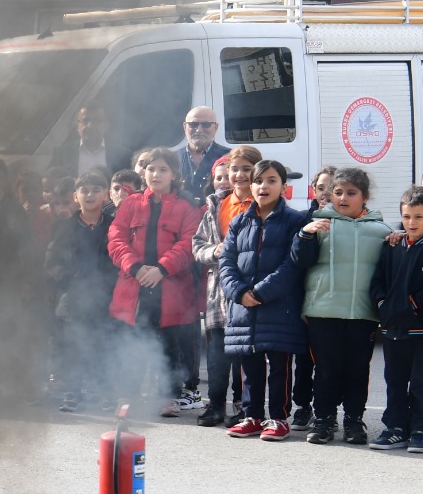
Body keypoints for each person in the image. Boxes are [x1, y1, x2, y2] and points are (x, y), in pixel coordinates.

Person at [107, 147, 203, 418]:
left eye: (163, 169)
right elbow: (116, 239)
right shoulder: (130, 204)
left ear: (174, 174)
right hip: (134, 286)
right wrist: (135, 268)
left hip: (171, 287)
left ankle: (169, 396)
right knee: (132, 342)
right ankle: (128, 394)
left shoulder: (187, 206)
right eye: (150, 169)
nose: (156, 174)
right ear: (143, 173)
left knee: (170, 344)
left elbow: (189, 244)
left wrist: (161, 269)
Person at [296, 167, 389, 446]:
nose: (343, 198)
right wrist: (305, 235)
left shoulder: (382, 231)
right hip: (323, 310)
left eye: (351, 193)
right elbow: (299, 262)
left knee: (358, 370)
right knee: (326, 369)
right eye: (338, 192)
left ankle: (353, 420)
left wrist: (396, 241)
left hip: (363, 313)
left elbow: (390, 269)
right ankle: (323, 419)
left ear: (365, 197)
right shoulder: (318, 224)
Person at [220, 160, 310, 441]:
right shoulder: (239, 220)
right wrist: (239, 292)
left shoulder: (295, 220)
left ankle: (279, 419)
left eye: (272, 180)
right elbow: (226, 261)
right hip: (244, 308)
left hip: (278, 306)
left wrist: (259, 292)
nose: (263, 186)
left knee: (279, 367)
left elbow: (292, 266)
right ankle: (253, 416)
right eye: (258, 181)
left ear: (284, 186)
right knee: (249, 366)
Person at [46, 171, 117, 411]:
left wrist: (108, 281)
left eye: (96, 190)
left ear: (106, 195)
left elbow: (120, 258)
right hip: (74, 298)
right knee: (74, 345)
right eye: (84, 190)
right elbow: (52, 262)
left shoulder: (113, 226)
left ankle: (106, 392)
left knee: (103, 345)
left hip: (104, 297)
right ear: (75, 196)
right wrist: (69, 277)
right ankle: (72, 391)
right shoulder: (66, 227)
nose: (90, 195)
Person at [191, 153, 253, 427]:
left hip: (248, 291)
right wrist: (213, 250)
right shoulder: (217, 206)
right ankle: (215, 404)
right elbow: (197, 245)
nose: (239, 175)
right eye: (234, 170)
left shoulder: (263, 204)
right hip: (218, 294)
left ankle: (244, 406)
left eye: (247, 169)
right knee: (217, 355)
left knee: (246, 355)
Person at [367, 187, 423, 451]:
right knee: (394, 379)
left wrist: (413, 305)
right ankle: (395, 427)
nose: (411, 222)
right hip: (392, 327)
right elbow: (378, 280)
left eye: (419, 217)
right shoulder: (392, 245)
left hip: (422, 329)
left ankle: (421, 429)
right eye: (407, 216)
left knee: (421, 381)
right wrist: (383, 304)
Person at [173, 106, 230, 205]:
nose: (199, 130)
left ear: (216, 127)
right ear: (185, 127)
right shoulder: (172, 159)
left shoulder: (230, 157)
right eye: (193, 124)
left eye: (206, 124)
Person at [54, 105, 120, 177]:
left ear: (106, 125)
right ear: (77, 126)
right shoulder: (62, 154)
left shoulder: (122, 155)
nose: (90, 125)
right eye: (85, 121)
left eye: (96, 120)